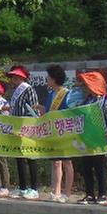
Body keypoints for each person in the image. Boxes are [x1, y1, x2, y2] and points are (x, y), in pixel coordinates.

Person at [75, 71, 107, 205]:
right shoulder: (86, 100)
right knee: (86, 167)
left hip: (100, 138)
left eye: (88, 84)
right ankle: (89, 194)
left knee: (100, 167)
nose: (85, 87)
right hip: (87, 138)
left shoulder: (105, 100)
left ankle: (102, 194)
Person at [6, 65, 39, 199]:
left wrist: (26, 128)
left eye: (15, 77)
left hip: (28, 130)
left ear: (21, 78)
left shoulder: (28, 90)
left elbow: (33, 110)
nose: (12, 80)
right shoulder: (15, 92)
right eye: (12, 77)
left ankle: (34, 188)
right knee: (19, 158)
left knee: (31, 158)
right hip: (16, 129)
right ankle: (22, 187)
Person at [43, 64, 73, 202]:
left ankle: (67, 194)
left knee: (67, 162)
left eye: (48, 77)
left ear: (54, 79)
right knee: (55, 162)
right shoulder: (50, 94)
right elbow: (49, 112)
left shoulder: (67, 93)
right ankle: (56, 191)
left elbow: (69, 112)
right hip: (53, 131)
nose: (46, 79)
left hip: (64, 131)